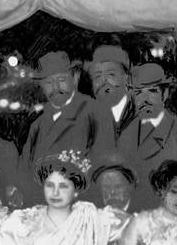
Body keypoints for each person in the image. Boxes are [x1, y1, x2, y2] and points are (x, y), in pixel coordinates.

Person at [18, 51, 114, 190]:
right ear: (42, 86)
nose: (55, 88)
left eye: (61, 80)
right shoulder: (36, 125)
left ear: (75, 78)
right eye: (49, 82)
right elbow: (24, 170)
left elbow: (104, 166)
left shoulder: (95, 112)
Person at [117, 62, 177, 211]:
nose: (144, 99)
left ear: (165, 94)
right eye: (138, 93)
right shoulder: (124, 133)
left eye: (152, 91)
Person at [85, 44, 137, 142]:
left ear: (126, 77)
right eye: (97, 76)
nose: (104, 81)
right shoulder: (86, 118)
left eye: (111, 74)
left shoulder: (141, 110)